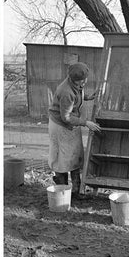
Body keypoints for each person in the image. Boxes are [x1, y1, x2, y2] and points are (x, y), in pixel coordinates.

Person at [48, 62, 101, 200]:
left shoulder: (76, 85)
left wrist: (88, 97)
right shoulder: (66, 91)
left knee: (75, 156)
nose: (83, 83)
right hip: (60, 127)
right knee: (62, 160)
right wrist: (85, 122)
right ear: (72, 79)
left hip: (72, 125)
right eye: (80, 81)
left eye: (84, 80)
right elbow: (65, 117)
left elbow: (78, 94)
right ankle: (62, 191)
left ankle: (77, 191)